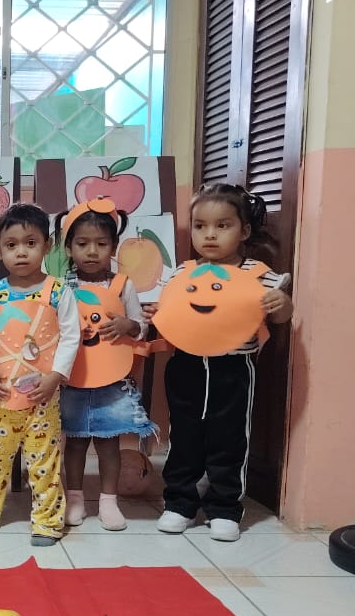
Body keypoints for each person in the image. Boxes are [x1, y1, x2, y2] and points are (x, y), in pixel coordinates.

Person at [151, 183, 294, 542]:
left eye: (222, 225)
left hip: (233, 369)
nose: (210, 234)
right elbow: (166, 313)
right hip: (186, 365)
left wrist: (282, 304)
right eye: (200, 226)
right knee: (183, 436)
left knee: (229, 439)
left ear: (244, 231)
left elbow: (280, 316)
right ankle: (179, 503)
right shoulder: (180, 274)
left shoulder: (259, 274)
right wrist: (157, 313)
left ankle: (225, 507)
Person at [0, 204, 79, 545]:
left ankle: (47, 521)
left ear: (47, 246)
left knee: (44, 462)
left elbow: (71, 337)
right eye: (11, 245)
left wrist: (55, 377)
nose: (21, 252)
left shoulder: (58, 292)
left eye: (30, 243)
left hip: (43, 398)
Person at [57, 204, 158, 531]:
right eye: (82, 243)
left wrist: (129, 325)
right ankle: (74, 499)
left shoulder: (123, 286)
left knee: (108, 443)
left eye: (101, 244)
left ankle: (108, 501)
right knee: (74, 442)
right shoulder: (60, 286)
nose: (92, 251)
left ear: (113, 248)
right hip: (72, 379)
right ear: (68, 248)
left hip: (112, 379)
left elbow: (141, 327)